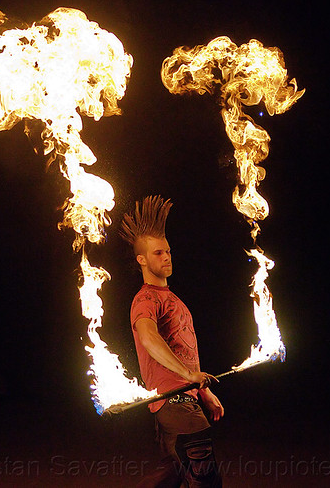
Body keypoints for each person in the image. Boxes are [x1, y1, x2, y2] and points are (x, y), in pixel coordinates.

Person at [120, 195, 224, 487]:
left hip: (183, 398)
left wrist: (202, 391)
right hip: (172, 401)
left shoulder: (172, 299)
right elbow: (150, 338)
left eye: (167, 251)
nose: (166, 257)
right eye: (157, 253)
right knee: (205, 476)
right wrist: (189, 376)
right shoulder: (145, 299)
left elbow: (185, 351)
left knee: (171, 475)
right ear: (141, 259)